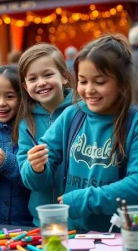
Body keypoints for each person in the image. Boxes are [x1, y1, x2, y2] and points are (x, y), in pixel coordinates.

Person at [28, 34, 138, 232]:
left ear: (122, 82)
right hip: (72, 235)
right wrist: (36, 168)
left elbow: (135, 185)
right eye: (83, 81)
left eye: (100, 81)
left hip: (120, 237)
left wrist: (84, 200)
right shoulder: (72, 115)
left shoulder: (134, 122)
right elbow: (38, 179)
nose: (89, 90)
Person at [15, 43, 74, 227]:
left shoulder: (81, 112)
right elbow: (30, 180)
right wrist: (35, 168)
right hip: (43, 220)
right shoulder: (26, 122)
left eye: (48, 75)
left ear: (64, 76)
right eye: (33, 79)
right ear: (25, 86)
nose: (41, 82)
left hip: (80, 218)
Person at [0, 65, 32, 226]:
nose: (1, 103)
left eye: (9, 97)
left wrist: (6, 161)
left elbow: (33, 177)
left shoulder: (31, 130)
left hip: (26, 221)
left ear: (22, 97)